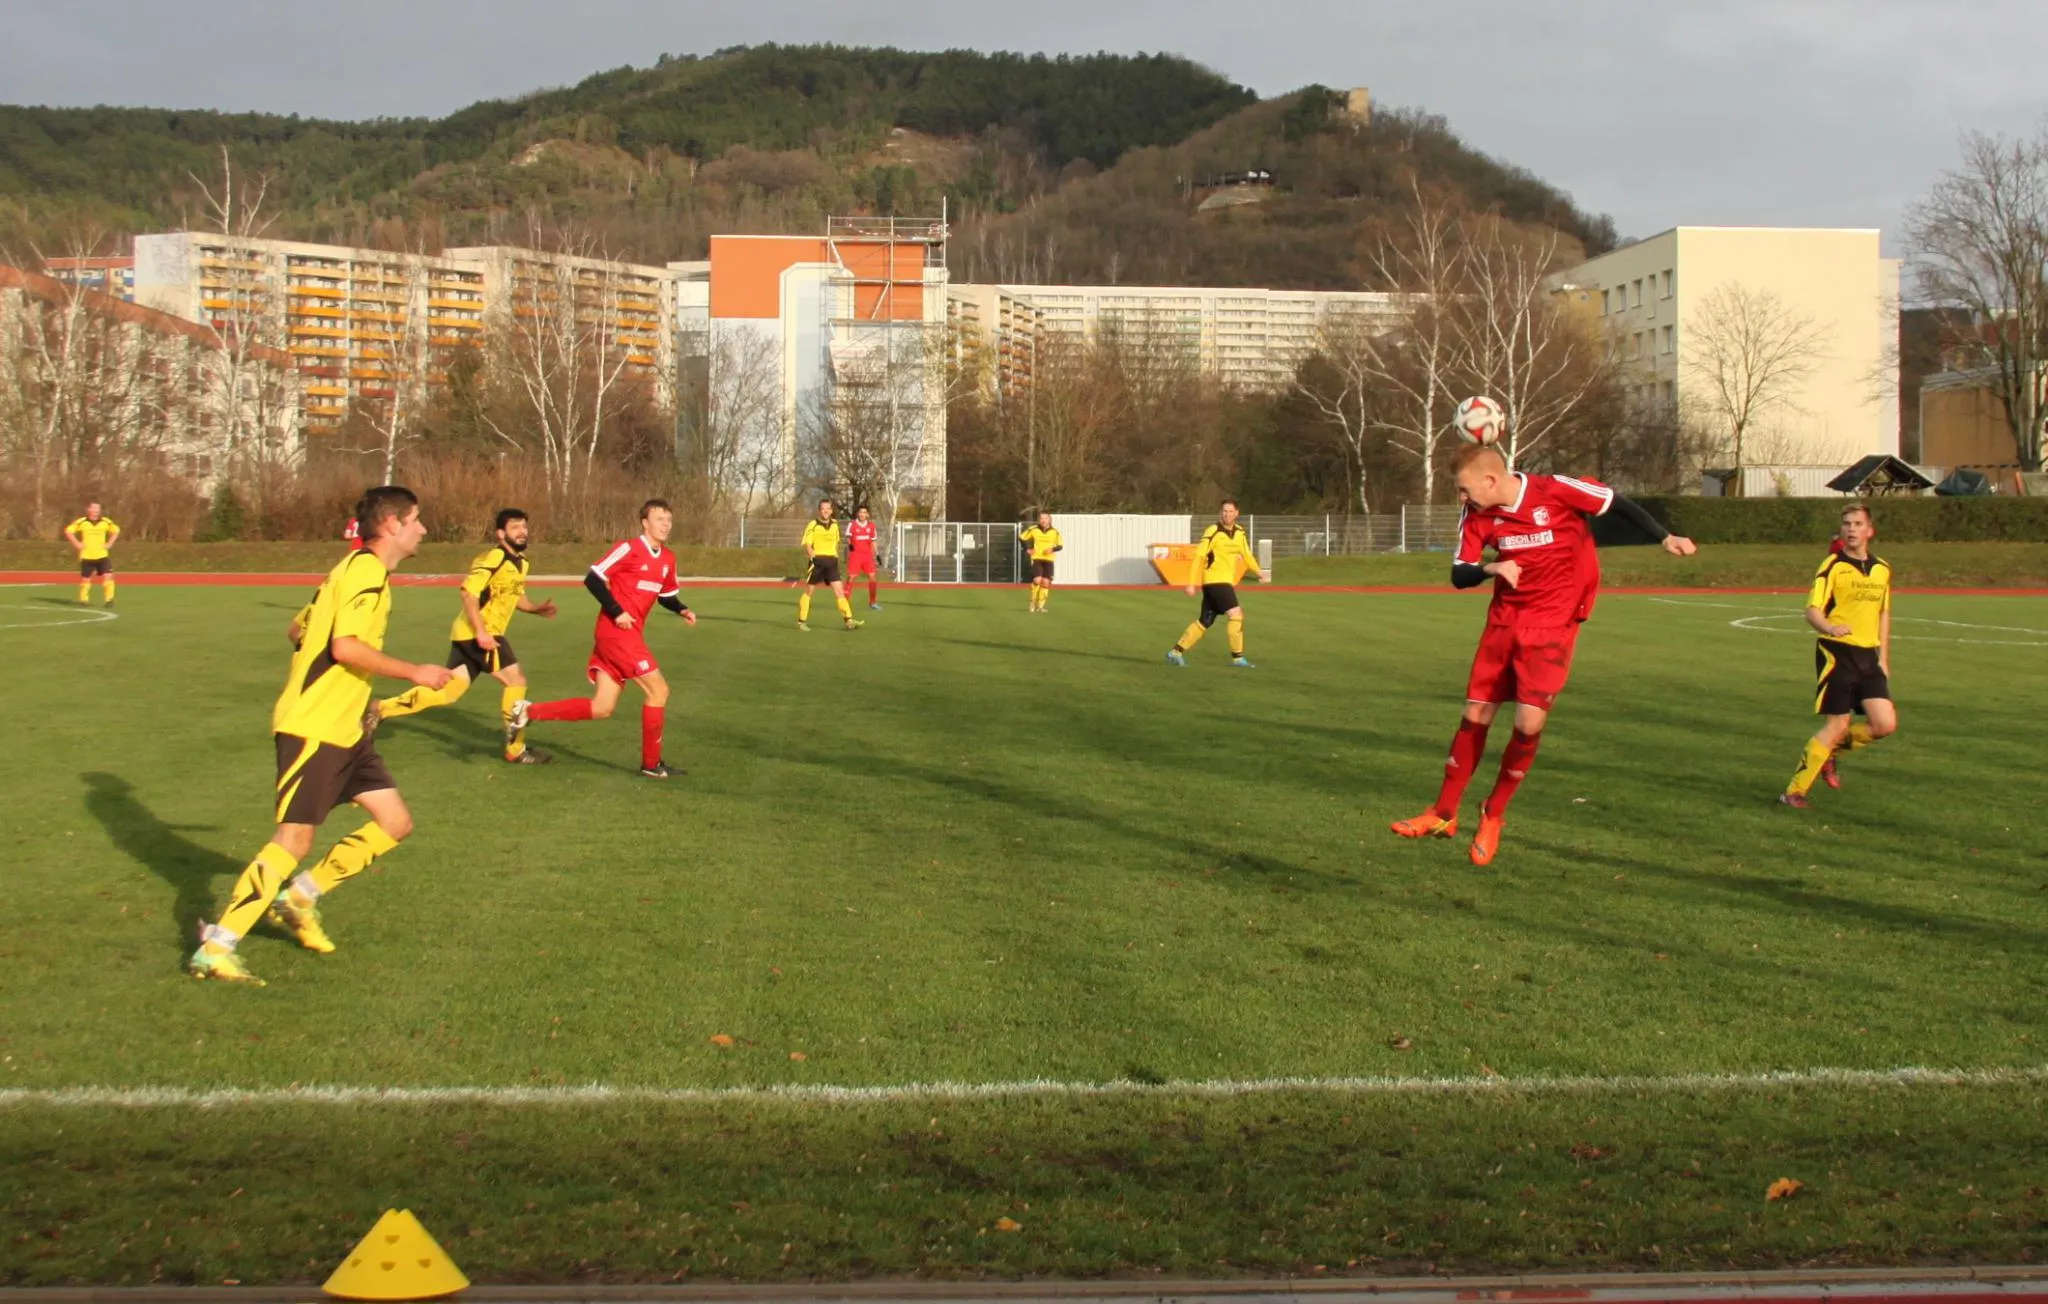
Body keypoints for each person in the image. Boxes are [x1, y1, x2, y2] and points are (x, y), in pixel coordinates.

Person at [187, 486, 451, 985]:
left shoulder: (351, 571)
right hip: (315, 726)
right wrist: (414, 671)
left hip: (345, 727)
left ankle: (300, 897)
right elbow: (345, 646)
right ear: (391, 524)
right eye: (416, 518)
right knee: (293, 839)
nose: (423, 528)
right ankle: (217, 948)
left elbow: (299, 631)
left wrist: (352, 691)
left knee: (395, 822)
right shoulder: (364, 572)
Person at [1391, 442, 1697, 865]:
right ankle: (1443, 813)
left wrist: (1665, 536)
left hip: (1553, 625)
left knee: (1528, 723)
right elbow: (1460, 574)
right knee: (1475, 713)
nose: (1461, 498)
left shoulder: (1554, 490)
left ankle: (1493, 813)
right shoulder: (1477, 515)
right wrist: (1492, 568)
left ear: (1490, 480)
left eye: (1464, 489)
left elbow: (1615, 502)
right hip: (1504, 622)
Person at [513, 499, 694, 779]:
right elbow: (593, 578)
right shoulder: (628, 548)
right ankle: (651, 764)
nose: (666, 524)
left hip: (626, 635)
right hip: (615, 633)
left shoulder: (668, 559)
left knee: (602, 707)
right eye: (660, 519)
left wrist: (681, 609)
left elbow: (666, 595)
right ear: (644, 523)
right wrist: (617, 611)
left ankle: (528, 712)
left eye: (669, 519)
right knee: (659, 690)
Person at [370, 508, 559, 764]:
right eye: (515, 527)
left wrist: (536, 609)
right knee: (516, 680)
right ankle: (516, 749)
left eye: (524, 526)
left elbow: (516, 597)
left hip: (473, 634)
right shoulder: (493, 558)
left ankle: (381, 709)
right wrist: (481, 632)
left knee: (448, 692)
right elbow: (468, 593)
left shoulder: (522, 563)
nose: (522, 531)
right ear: (500, 533)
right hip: (480, 633)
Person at [1781, 503, 1895, 808]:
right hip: (1837, 652)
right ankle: (1794, 793)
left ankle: (1829, 754)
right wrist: (1830, 628)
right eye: (1846, 524)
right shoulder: (1832, 565)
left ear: (1870, 531)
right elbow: (1812, 611)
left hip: (1868, 655)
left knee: (1884, 724)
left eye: (1857, 523)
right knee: (1837, 725)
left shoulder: (1882, 569)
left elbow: (1883, 613)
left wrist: (1883, 658)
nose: (1851, 528)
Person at [1167, 499, 1261, 667]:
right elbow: (1199, 557)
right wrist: (1191, 583)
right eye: (1224, 511)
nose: (1227, 514)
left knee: (1205, 621)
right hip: (1215, 581)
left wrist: (1259, 572)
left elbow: (1247, 555)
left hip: (1223, 582)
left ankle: (1176, 652)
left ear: (1236, 513)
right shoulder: (1213, 531)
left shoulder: (1240, 532)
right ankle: (1238, 658)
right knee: (1236, 615)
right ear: (1220, 513)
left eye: (1230, 511)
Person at [796, 498, 862, 631]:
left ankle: (849, 620)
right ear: (819, 511)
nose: (825, 511)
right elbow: (808, 544)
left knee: (840, 592)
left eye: (828, 508)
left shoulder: (835, 524)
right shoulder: (813, 524)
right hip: (817, 563)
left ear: (831, 511)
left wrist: (835, 557)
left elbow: (836, 542)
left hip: (831, 563)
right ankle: (801, 621)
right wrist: (813, 556)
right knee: (809, 591)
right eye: (823, 509)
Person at [64, 502, 120, 606]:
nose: (95, 511)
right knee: (86, 578)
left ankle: (109, 600)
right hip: (87, 555)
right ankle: (83, 600)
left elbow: (116, 531)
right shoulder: (82, 522)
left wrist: (110, 543)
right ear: (88, 510)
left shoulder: (105, 521)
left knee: (108, 576)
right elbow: (68, 531)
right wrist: (76, 543)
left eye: (97, 509)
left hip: (102, 555)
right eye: (93, 508)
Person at [1019, 510, 1063, 613]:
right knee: (1037, 580)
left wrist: (1052, 549)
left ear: (1049, 520)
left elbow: (1060, 546)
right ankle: (1032, 602)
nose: (1042, 520)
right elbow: (1021, 537)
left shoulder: (1055, 532)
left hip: (1049, 559)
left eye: (1045, 518)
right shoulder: (1033, 529)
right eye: (1041, 518)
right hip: (1037, 558)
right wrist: (1027, 549)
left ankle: (1040, 606)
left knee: (1046, 582)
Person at [846, 504, 883, 611]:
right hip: (855, 555)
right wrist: (850, 545)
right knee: (851, 577)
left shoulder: (871, 526)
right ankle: (845, 602)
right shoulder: (852, 524)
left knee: (872, 577)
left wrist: (877, 554)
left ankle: (873, 602)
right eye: (860, 512)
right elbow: (848, 537)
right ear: (857, 513)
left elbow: (873, 541)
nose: (862, 514)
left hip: (867, 556)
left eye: (864, 512)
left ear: (867, 514)